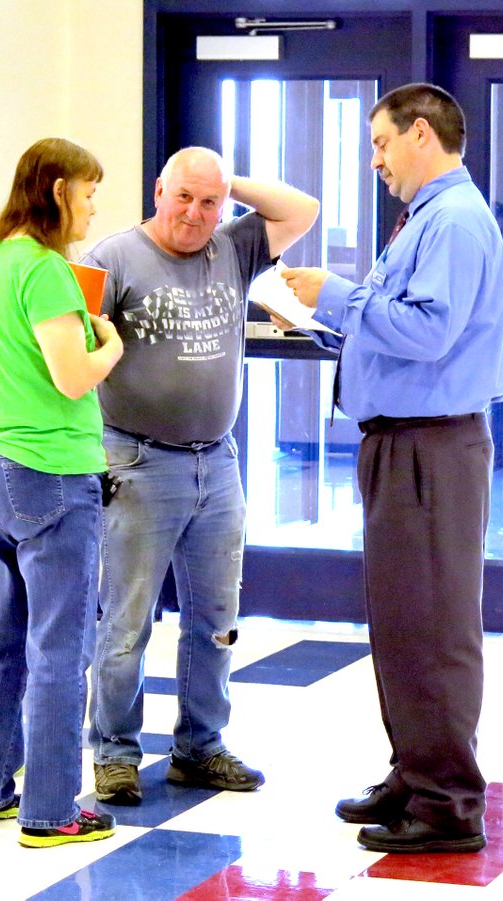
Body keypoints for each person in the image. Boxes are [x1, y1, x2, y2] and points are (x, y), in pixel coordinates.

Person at [280, 84, 503, 853]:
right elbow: (398, 327)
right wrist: (325, 321)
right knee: (403, 625)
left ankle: (448, 804)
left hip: (431, 448)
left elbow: (429, 333)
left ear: (420, 133)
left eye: (381, 143)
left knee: (434, 628)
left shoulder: (452, 220)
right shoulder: (426, 219)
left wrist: (339, 297)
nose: (375, 160)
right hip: (402, 442)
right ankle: (414, 772)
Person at [82, 146, 320, 805]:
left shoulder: (234, 246)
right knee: (126, 622)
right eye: (183, 195)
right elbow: (69, 354)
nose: (194, 212)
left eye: (209, 201)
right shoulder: (109, 258)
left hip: (216, 465)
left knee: (216, 618)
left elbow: (304, 209)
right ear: (157, 190)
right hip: (134, 461)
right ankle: (115, 754)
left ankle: (200, 748)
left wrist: (224, 178)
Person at [0, 137, 124, 848]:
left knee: (5, 637)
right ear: (55, 192)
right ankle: (51, 808)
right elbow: (73, 376)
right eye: (87, 193)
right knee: (61, 647)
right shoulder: (45, 269)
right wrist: (108, 343)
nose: (91, 207)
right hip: (47, 474)